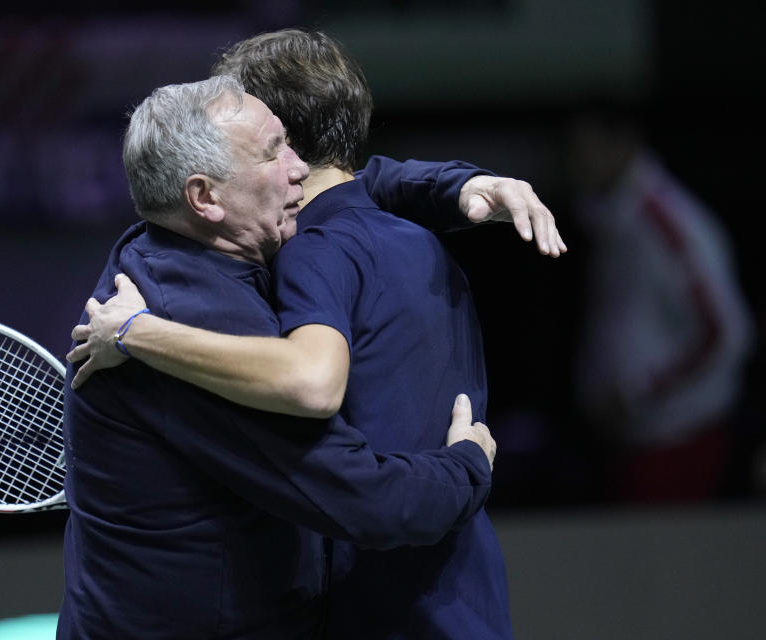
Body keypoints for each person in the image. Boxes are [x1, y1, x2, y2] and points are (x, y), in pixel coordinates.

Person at [68, 29, 565, 639]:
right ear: (205, 195)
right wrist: (466, 467)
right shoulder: (202, 307)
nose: (296, 167)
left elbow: (349, 185)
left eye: (290, 143)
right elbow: (357, 487)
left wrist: (451, 184)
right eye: (273, 150)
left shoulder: (237, 252)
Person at [565, 100, 754, 503]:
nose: (577, 161)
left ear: (623, 143)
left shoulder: (663, 222)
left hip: (682, 438)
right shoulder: (612, 221)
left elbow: (726, 331)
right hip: (635, 440)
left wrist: (637, 393)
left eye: (586, 146)